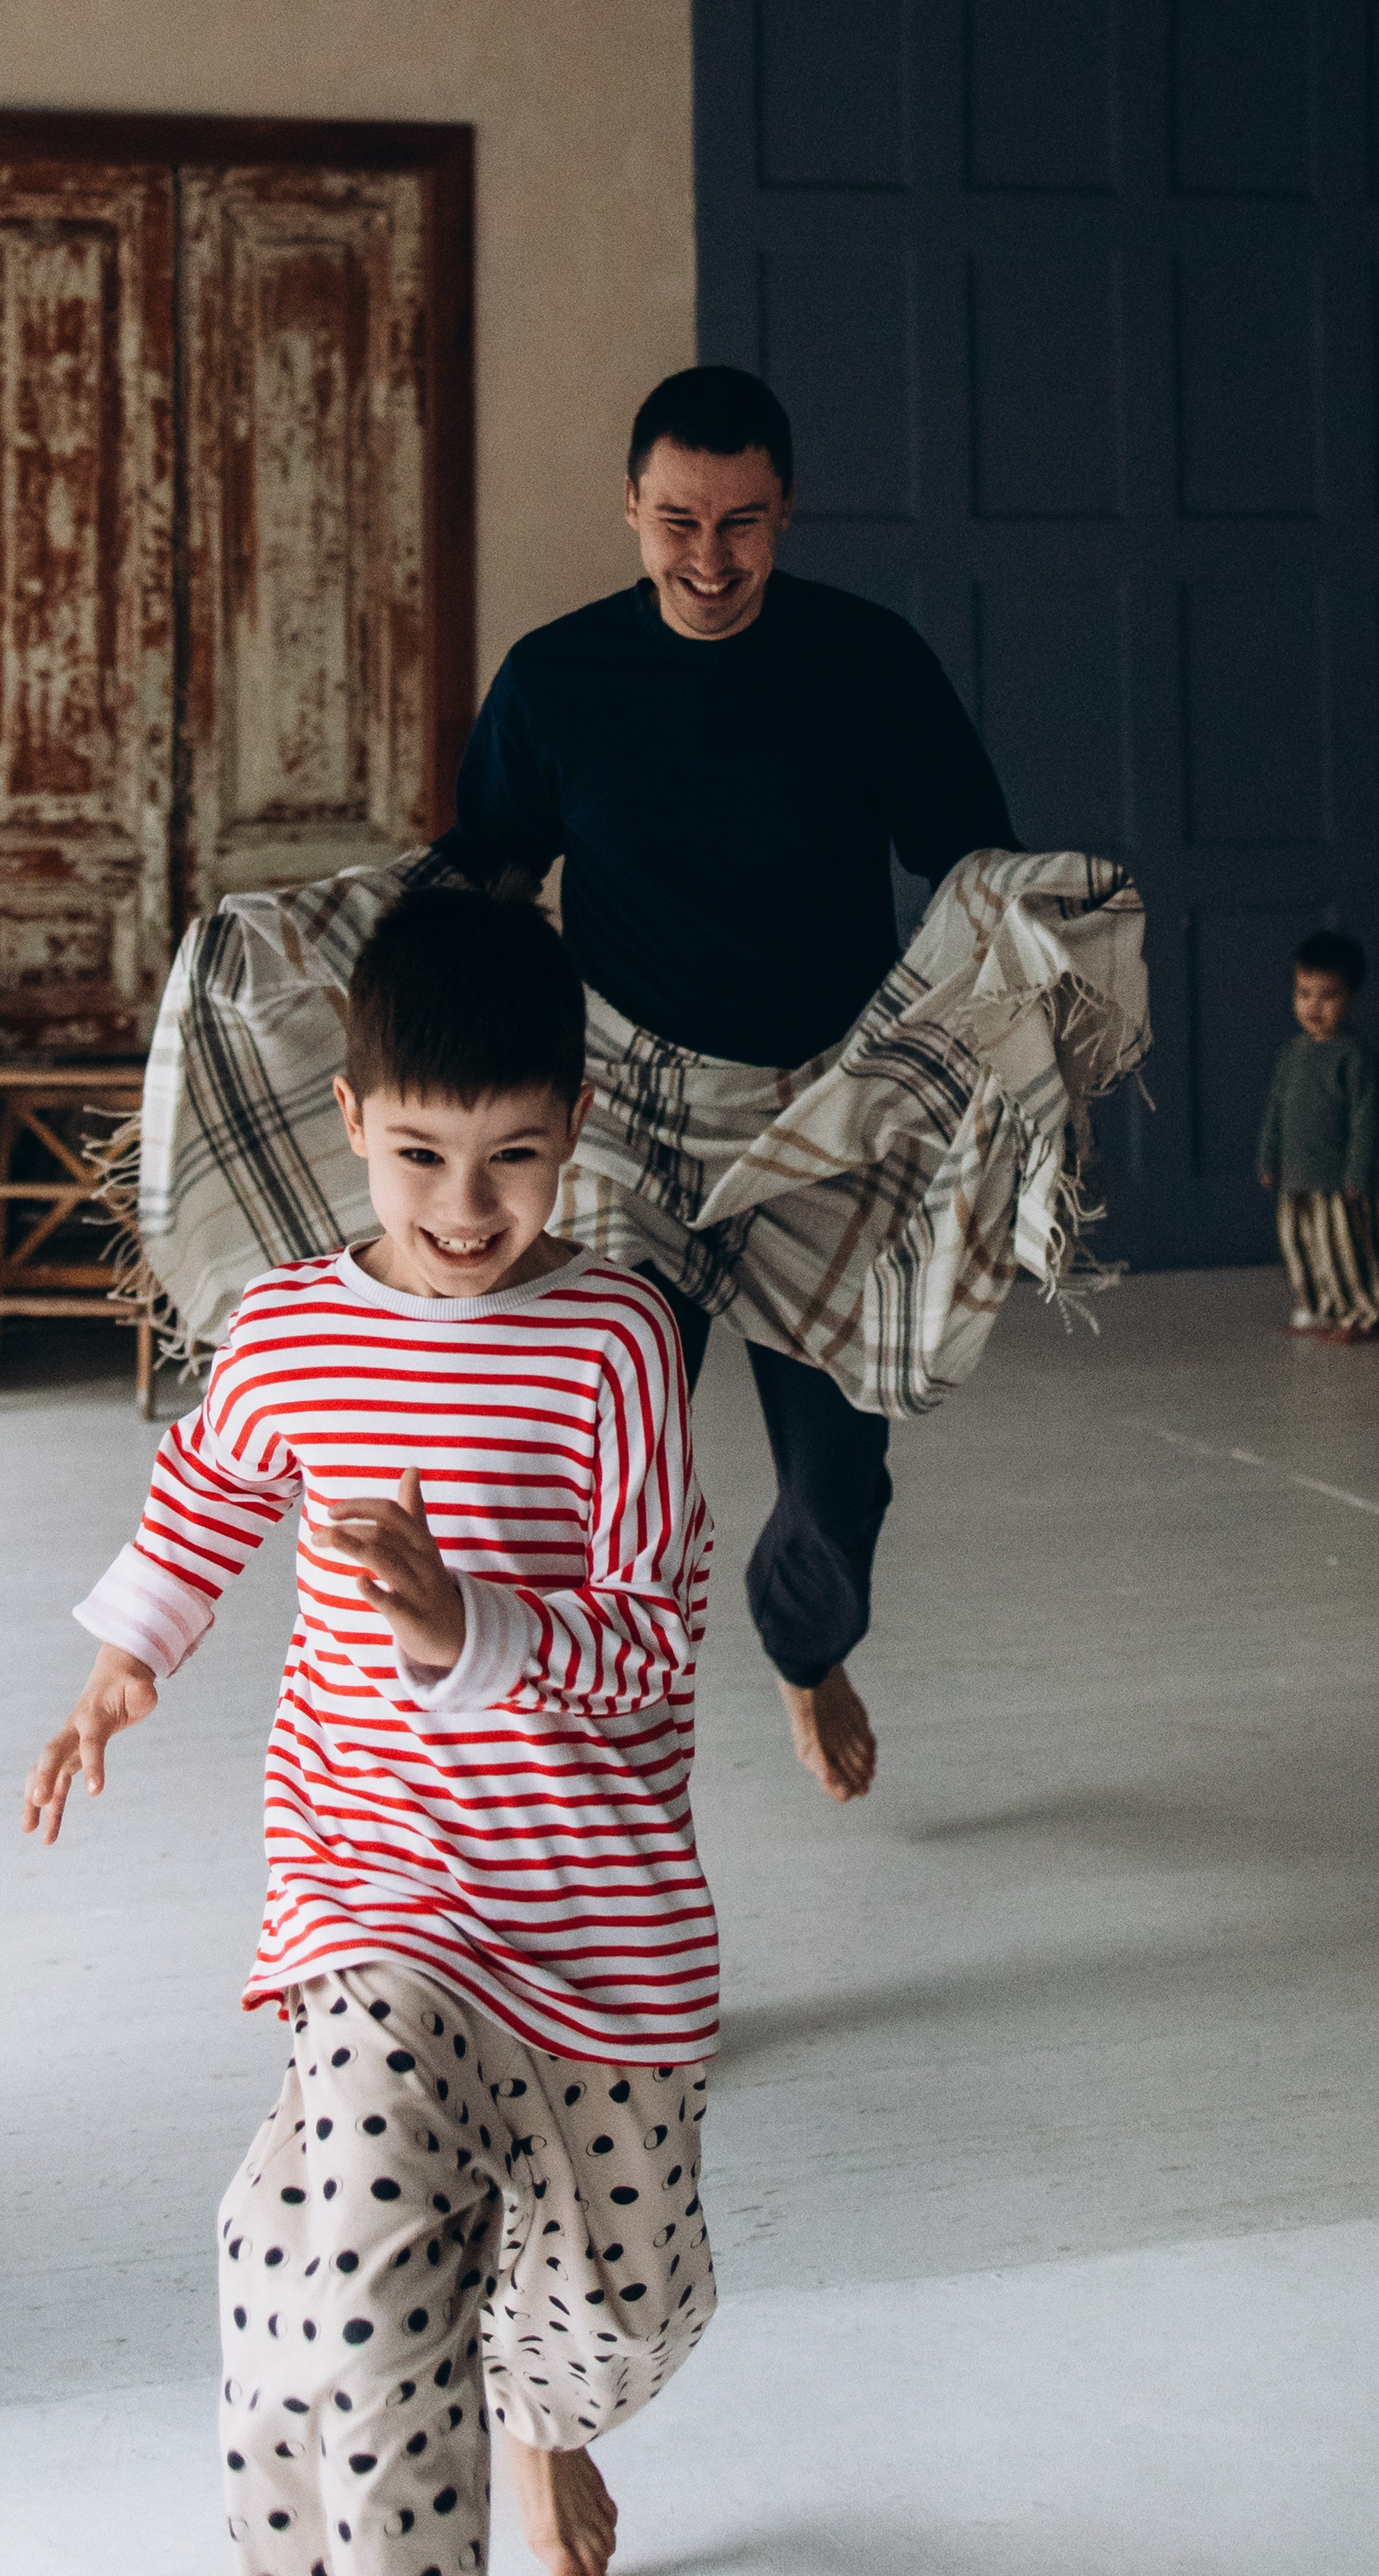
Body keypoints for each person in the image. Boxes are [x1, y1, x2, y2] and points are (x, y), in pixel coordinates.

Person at [23, 885, 718, 2576]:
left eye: (511, 1158)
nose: (463, 1208)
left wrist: (459, 1623)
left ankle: (537, 2424)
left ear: (575, 1127)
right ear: (349, 1122)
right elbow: (212, 1479)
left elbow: (648, 1643)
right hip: (376, 1881)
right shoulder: (289, 1327)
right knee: (343, 2261)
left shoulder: (618, 1343)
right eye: (416, 1157)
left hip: (594, 1913)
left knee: (626, 2312)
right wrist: (128, 1651)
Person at [435, 364, 1020, 1807]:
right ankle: (570, 1774)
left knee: (837, 1501)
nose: (709, 560)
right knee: (595, 1468)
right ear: (630, 506)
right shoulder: (556, 678)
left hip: (824, 1115)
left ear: (785, 513)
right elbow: (488, 877)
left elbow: (974, 873)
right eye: (679, 521)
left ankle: (803, 1656)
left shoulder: (868, 664)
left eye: (743, 524)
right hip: (624, 1117)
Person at [1258, 929, 1379, 1341]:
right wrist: (1268, 1158)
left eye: (1328, 995)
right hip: (1297, 1177)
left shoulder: (1354, 1057)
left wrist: (1357, 1174)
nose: (1313, 1006)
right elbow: (1276, 1112)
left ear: (1353, 997)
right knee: (1302, 1248)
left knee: (1347, 1252)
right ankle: (1319, 1308)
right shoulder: (1291, 1055)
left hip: (1338, 1181)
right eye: (1304, 993)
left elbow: (1365, 1121)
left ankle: (1360, 1313)